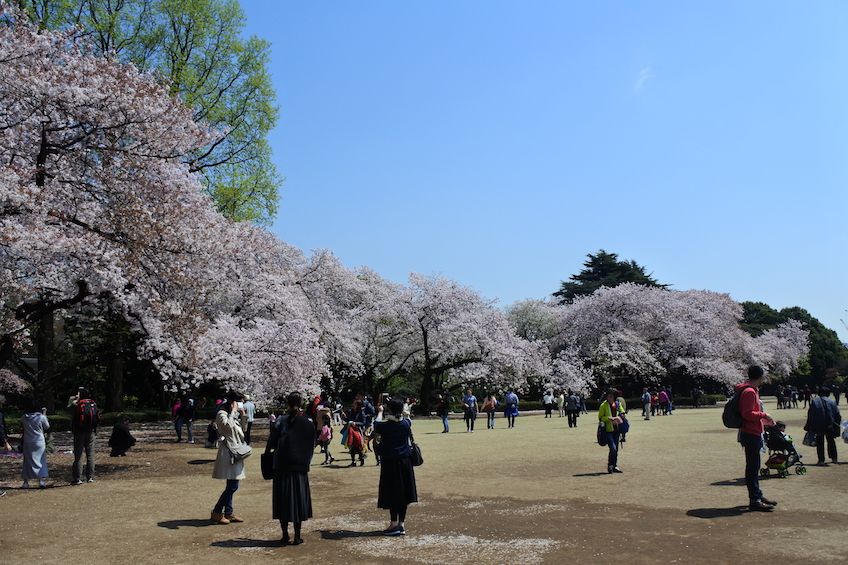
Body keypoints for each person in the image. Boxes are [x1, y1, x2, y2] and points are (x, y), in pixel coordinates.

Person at [266, 391, 316, 545]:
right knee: (298, 501)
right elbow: (312, 445)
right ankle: (298, 535)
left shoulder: (280, 421)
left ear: (287, 404)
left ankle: (284, 534)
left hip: (282, 467)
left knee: (283, 501)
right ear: (302, 405)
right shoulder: (308, 424)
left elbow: (271, 443)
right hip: (300, 468)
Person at [736, 365, 777, 511]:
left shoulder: (750, 390)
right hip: (750, 433)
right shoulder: (749, 392)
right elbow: (747, 413)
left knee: (754, 466)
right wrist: (764, 415)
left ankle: (757, 494)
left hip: (752, 431)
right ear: (761, 376)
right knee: (753, 467)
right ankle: (755, 499)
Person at [374, 397, 418, 535]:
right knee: (404, 492)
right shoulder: (406, 424)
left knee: (393, 492)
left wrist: (380, 411)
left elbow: (376, 424)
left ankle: (393, 524)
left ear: (389, 410)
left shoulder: (384, 425)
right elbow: (404, 417)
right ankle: (401, 524)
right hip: (405, 461)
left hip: (390, 462)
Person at [210, 392, 248, 524]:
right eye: (239, 402)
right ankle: (217, 511)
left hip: (236, 450)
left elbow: (243, 430)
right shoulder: (222, 414)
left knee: (232, 483)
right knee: (233, 485)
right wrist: (232, 412)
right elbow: (227, 426)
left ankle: (229, 512)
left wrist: (242, 415)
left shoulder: (234, 414)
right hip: (228, 451)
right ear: (232, 402)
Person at [804, 386, 841, 466]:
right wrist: (837, 425)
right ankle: (834, 458)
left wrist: (809, 425)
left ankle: (821, 459)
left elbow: (811, 414)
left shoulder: (814, 401)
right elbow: (837, 414)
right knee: (831, 441)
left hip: (818, 425)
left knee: (820, 442)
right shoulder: (832, 402)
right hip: (830, 424)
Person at [70, 388, 100, 485]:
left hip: (79, 432)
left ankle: (77, 478)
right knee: (90, 455)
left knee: (78, 455)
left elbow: (68, 409)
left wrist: (73, 400)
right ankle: (90, 477)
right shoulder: (92, 403)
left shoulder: (78, 404)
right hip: (91, 431)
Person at [21, 400, 49, 489]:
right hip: (39, 441)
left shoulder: (24, 417)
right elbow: (47, 426)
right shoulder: (41, 417)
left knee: (27, 461)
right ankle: (41, 480)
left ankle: (25, 482)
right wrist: (44, 414)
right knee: (41, 461)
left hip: (28, 441)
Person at [598, 389, 625, 474]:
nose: (609, 398)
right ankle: (610, 465)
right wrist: (608, 418)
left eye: (611, 397)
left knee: (616, 449)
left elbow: (623, 413)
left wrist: (619, 417)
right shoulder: (603, 405)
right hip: (608, 430)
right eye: (608, 396)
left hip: (616, 430)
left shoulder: (617, 404)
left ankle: (614, 465)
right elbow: (600, 417)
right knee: (613, 448)